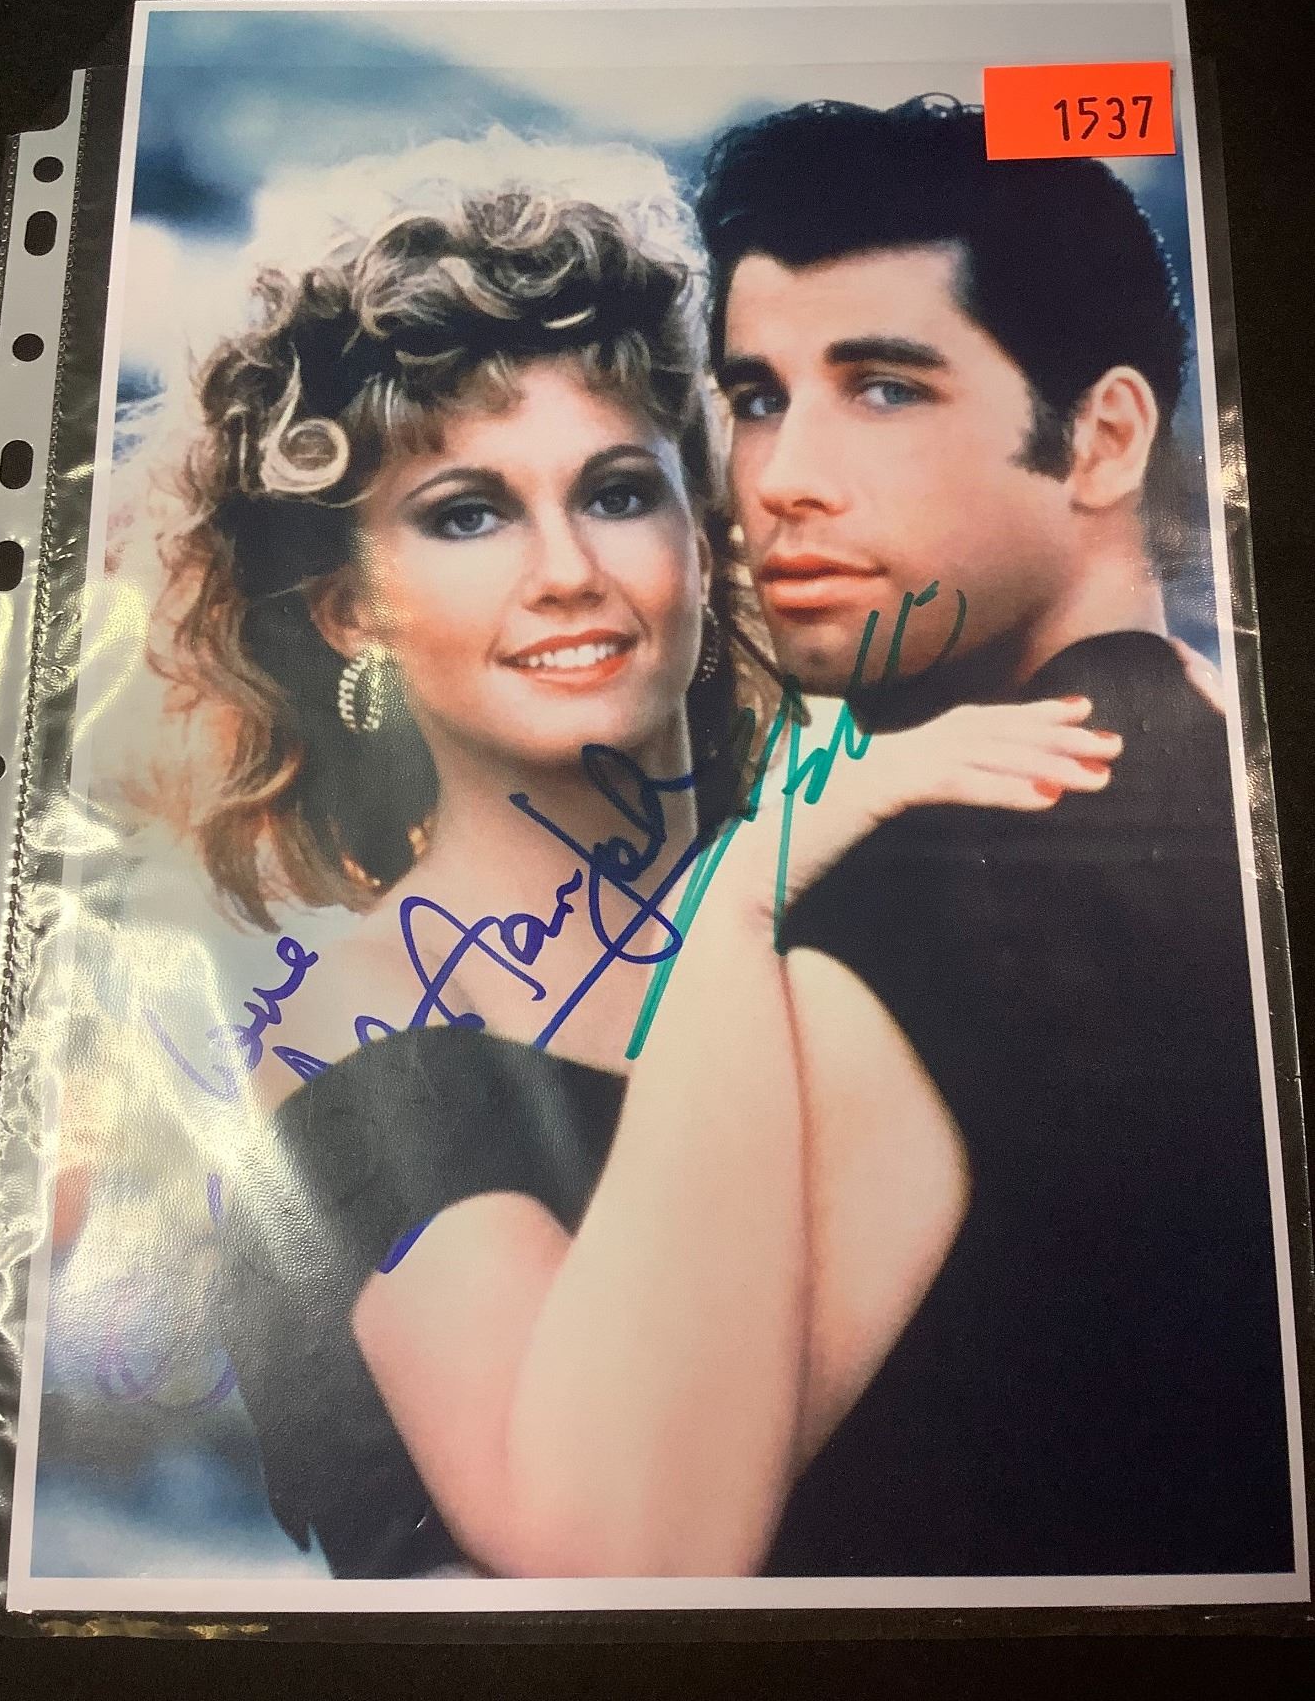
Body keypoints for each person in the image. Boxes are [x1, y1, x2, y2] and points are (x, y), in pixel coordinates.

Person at [137, 138, 1123, 1579]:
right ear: (351, 607)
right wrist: (734, 911)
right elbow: (631, 1550)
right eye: (467, 514)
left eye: (614, 492)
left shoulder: (874, 894)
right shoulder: (354, 1032)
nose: (567, 572)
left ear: (703, 536)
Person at [695, 96, 1293, 1577]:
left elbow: (639, 1547)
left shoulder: (915, 889)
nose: (779, 479)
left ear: (1102, 439)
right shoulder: (1225, 776)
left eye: (884, 389)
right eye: (757, 396)